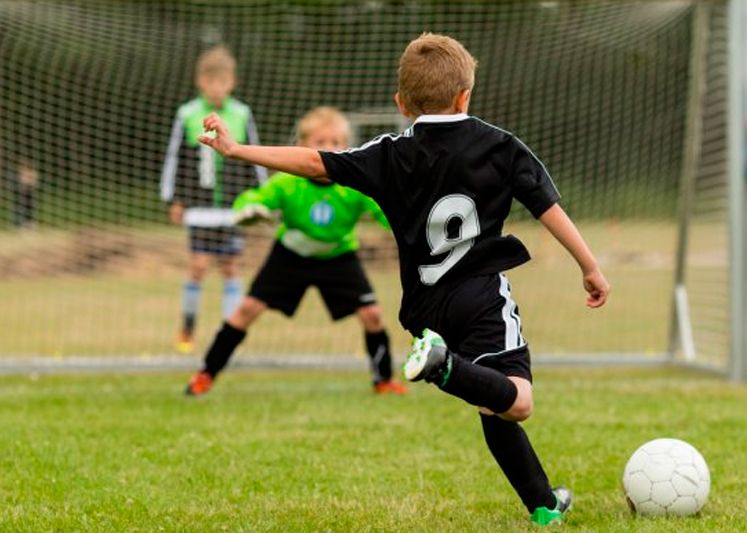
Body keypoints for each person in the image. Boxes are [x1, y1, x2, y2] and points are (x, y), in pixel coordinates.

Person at [196, 33, 610, 526]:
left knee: (489, 401)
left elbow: (312, 162)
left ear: (401, 103)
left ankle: (543, 506)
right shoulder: (500, 146)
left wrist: (237, 149)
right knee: (516, 400)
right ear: (465, 95)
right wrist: (589, 265)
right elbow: (547, 208)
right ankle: (444, 366)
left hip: (423, 309)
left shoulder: (389, 153)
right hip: (479, 296)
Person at [185, 107, 406, 396]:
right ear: (303, 146)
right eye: (321, 142)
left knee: (372, 315)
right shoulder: (288, 180)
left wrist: (407, 222)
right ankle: (205, 375)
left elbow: (387, 212)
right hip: (290, 255)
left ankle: (383, 381)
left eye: (337, 142)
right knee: (246, 310)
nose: (330, 149)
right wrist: (249, 210)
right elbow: (252, 200)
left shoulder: (355, 184)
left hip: (338, 256)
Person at [160, 45, 267, 353]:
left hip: (232, 209)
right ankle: (188, 327)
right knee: (198, 265)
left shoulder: (241, 114)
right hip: (199, 207)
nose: (217, 88)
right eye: (211, 82)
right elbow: (175, 157)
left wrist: (258, 198)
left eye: (223, 82)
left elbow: (254, 156)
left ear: (231, 82)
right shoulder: (188, 114)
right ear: (200, 82)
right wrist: (174, 200)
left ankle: (227, 333)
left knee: (231, 267)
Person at [12, 157, 39, 228]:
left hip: (29, 192)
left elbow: (33, 182)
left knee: (29, 207)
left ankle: (29, 223)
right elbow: (21, 181)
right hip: (21, 192)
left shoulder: (32, 172)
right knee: (19, 207)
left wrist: (28, 183)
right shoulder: (21, 171)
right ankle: (18, 224)